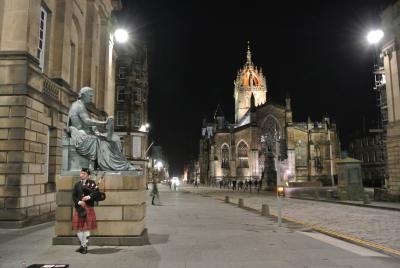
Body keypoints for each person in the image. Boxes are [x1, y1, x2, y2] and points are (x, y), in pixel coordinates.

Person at [67, 87, 136, 171]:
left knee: (113, 140)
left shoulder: (81, 105)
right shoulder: (78, 106)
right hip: (81, 136)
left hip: (86, 133)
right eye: (90, 96)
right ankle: (118, 165)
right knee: (106, 143)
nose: (91, 98)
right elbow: (87, 121)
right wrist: (104, 123)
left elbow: (87, 123)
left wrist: (96, 128)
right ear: (84, 95)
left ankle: (122, 164)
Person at [72, 168, 97, 254]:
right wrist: (78, 201)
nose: (81, 175)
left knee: (86, 228)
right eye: (81, 173)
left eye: (83, 173)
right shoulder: (77, 184)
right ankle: (83, 245)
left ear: (88, 175)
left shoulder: (92, 183)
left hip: (88, 207)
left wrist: (89, 197)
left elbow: (96, 194)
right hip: (79, 207)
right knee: (79, 228)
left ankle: (84, 246)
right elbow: (73, 196)